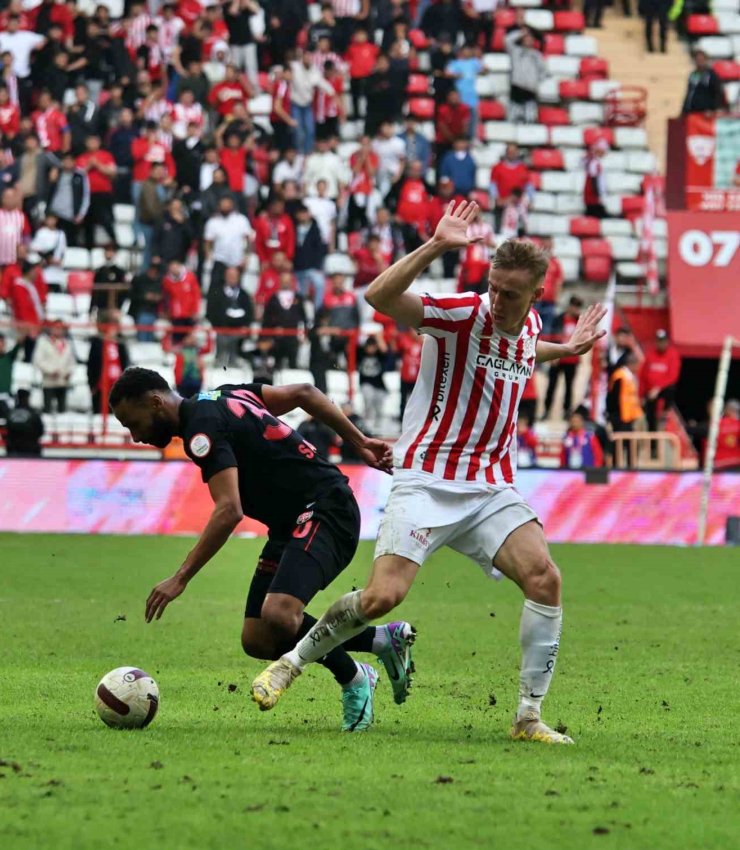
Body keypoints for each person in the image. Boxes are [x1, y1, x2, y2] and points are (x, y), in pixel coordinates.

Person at [252, 204, 606, 745]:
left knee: (546, 578)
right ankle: (291, 664)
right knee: (381, 600)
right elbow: (379, 297)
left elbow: (527, 346)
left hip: (490, 488)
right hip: (426, 482)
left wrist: (570, 348)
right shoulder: (463, 313)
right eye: (494, 286)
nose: (498, 299)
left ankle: (528, 717)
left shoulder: (529, 324)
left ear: (535, 296)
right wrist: (437, 245)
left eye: (510, 293)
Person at [109, 367, 413, 731]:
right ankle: (382, 640)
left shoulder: (200, 431)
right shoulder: (226, 395)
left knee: (281, 615)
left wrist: (181, 578)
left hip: (326, 509)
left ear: (156, 402)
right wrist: (359, 440)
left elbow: (229, 511)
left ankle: (354, 679)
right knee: (258, 637)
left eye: (133, 423)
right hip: (291, 524)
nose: (135, 436)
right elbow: (303, 390)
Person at [542, 297, 583, 421]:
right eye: (574, 306)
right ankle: (547, 410)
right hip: (558, 357)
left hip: (572, 360)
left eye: (577, 307)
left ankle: (566, 411)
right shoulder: (559, 319)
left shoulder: (579, 321)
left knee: (569, 386)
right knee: (551, 385)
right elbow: (552, 336)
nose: (575, 309)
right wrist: (553, 354)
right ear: (569, 306)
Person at [88, 311, 130, 414]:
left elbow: (125, 363)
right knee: (99, 412)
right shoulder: (97, 343)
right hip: (101, 386)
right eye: (110, 327)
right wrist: (92, 384)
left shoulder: (121, 343)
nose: (112, 330)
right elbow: (91, 365)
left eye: (114, 327)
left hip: (117, 385)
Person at [640, 329, 681, 435]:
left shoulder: (673, 354)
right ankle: (652, 442)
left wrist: (658, 388)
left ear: (667, 342)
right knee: (650, 416)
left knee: (670, 389)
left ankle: (666, 412)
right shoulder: (650, 354)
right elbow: (643, 375)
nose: (661, 344)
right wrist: (641, 395)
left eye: (663, 341)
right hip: (651, 392)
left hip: (664, 390)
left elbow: (673, 376)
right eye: (659, 341)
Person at [32, 320, 76, 414]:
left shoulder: (67, 343)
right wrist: (51, 371)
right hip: (49, 382)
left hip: (63, 382)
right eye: (56, 327)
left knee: (62, 412)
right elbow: (38, 361)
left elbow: (72, 361)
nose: (58, 330)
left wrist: (69, 372)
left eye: (60, 328)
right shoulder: (43, 342)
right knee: (47, 411)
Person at [357, 333, 388, 434]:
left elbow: (385, 350)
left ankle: (378, 427)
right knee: (368, 399)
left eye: (372, 347)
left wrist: (378, 337)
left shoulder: (379, 354)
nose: (370, 349)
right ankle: (367, 425)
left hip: (379, 385)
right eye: (368, 347)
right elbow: (355, 343)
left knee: (379, 407)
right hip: (366, 383)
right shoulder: (361, 353)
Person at [607, 350, 643, 433]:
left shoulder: (629, 376)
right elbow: (615, 397)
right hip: (620, 416)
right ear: (632, 364)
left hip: (628, 416)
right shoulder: (620, 376)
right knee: (620, 441)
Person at [682, 50, 727, 115]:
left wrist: (715, 109)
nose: (699, 62)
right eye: (697, 59)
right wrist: (684, 110)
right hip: (693, 112)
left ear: (706, 60)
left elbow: (717, 92)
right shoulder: (693, 75)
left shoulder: (711, 75)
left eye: (701, 60)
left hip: (706, 113)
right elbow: (689, 93)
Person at [4, 388, 44, 457]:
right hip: (31, 448)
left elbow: (6, 430)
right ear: (27, 398)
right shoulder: (33, 413)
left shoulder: (10, 413)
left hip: (13, 448)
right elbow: (40, 430)